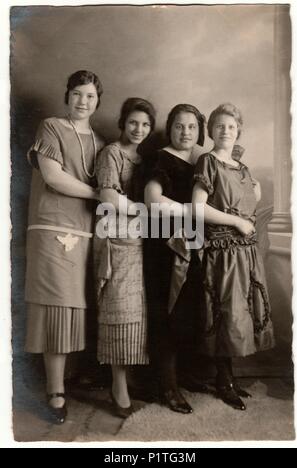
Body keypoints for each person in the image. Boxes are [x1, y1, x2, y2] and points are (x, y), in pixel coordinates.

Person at [24, 70, 105, 423]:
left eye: (89, 96)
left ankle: (67, 379)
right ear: (67, 95)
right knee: (54, 307)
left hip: (85, 231)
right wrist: (99, 194)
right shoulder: (51, 127)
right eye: (76, 94)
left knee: (74, 308)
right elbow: (54, 176)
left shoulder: (100, 142)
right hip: (51, 225)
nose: (82, 101)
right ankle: (55, 392)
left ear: (97, 101)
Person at [192, 103, 275, 410]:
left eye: (231, 126)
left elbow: (249, 204)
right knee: (226, 314)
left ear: (239, 130)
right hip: (222, 252)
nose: (225, 131)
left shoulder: (243, 168)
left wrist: (256, 195)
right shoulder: (207, 161)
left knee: (242, 312)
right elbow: (198, 207)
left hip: (246, 252)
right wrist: (238, 222)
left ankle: (229, 376)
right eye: (219, 126)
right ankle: (223, 379)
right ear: (211, 131)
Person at [94, 97, 156, 418]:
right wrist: (146, 211)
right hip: (117, 240)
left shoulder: (144, 161)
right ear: (123, 122)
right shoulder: (111, 154)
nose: (139, 129)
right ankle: (117, 386)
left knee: (139, 313)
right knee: (120, 309)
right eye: (133, 122)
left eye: (145, 124)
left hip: (141, 241)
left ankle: (129, 380)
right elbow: (107, 196)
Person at [144, 104, 206, 414]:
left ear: (200, 130)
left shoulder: (201, 161)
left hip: (192, 243)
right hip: (164, 245)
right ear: (170, 129)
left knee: (187, 310)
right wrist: (190, 211)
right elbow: (152, 200)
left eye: (192, 127)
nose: (185, 132)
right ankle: (166, 385)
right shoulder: (161, 159)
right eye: (179, 126)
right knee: (166, 313)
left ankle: (184, 375)